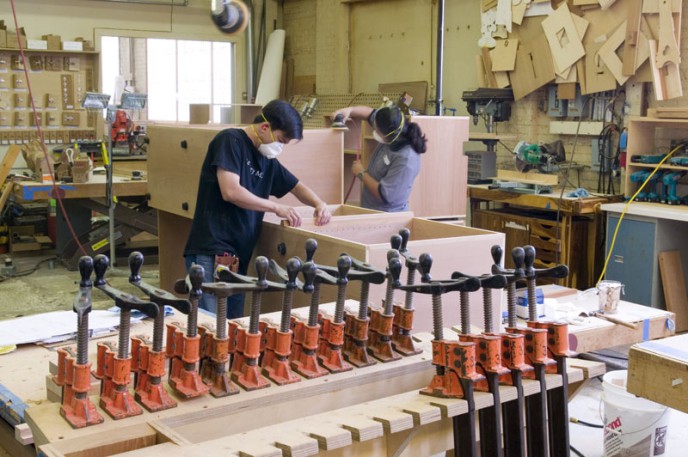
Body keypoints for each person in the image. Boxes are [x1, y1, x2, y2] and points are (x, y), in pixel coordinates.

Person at [184, 99, 332, 318]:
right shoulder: (230, 141)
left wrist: (320, 204)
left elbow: (296, 186)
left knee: (232, 325)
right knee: (211, 326)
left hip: (237, 257)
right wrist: (275, 207)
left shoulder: (266, 160)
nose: (280, 147)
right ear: (265, 127)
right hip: (211, 251)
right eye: (281, 140)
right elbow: (231, 191)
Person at [332, 104, 427, 212]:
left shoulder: (406, 160)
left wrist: (361, 173)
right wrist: (349, 110)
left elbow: (386, 195)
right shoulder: (391, 128)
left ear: (389, 134)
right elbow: (370, 114)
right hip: (370, 209)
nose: (375, 132)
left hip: (388, 215)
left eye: (377, 131)